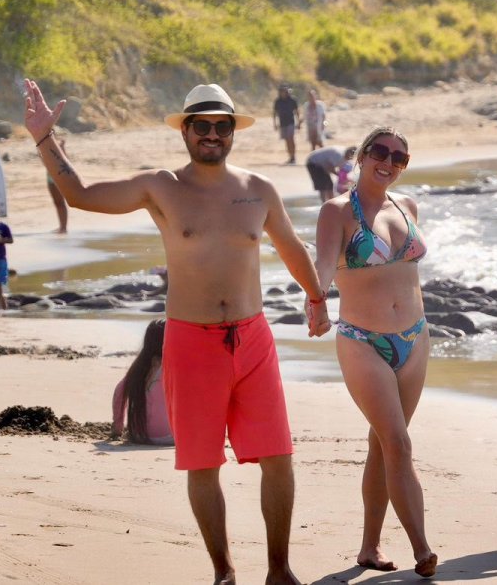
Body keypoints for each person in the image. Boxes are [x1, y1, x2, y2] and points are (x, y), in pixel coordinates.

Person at [24, 79, 328, 585]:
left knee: (278, 457)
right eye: (202, 125)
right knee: (202, 464)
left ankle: (279, 570)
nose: (212, 134)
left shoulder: (258, 189)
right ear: (185, 130)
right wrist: (43, 139)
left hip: (253, 339)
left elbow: (291, 246)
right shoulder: (160, 186)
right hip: (191, 341)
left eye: (222, 126)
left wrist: (317, 298)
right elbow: (79, 196)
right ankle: (224, 572)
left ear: (233, 131)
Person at [313, 126, 437, 577]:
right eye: (381, 152)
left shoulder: (407, 206)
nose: (389, 162)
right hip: (363, 341)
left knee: (382, 444)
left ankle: (369, 548)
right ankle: (423, 549)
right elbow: (325, 263)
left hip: (415, 340)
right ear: (363, 155)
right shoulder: (337, 212)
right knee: (399, 443)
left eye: (399, 157)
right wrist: (316, 297)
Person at [112, 319, 173, 445]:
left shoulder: (138, 368)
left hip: (138, 435)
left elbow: (119, 393)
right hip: (168, 436)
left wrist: (118, 425)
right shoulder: (174, 367)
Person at [45, 132, 69, 233]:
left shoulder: (58, 147)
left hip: (59, 176)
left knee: (60, 202)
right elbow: (45, 162)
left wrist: (62, 148)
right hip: (50, 176)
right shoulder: (42, 147)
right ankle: (62, 227)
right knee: (57, 202)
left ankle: (63, 227)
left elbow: (66, 161)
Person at [274, 86, 302, 165]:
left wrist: (299, 122)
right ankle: (290, 156)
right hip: (282, 123)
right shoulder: (278, 101)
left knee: (291, 139)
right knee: (286, 140)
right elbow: (275, 112)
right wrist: (275, 123)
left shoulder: (292, 100)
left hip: (290, 122)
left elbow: (297, 112)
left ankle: (293, 156)